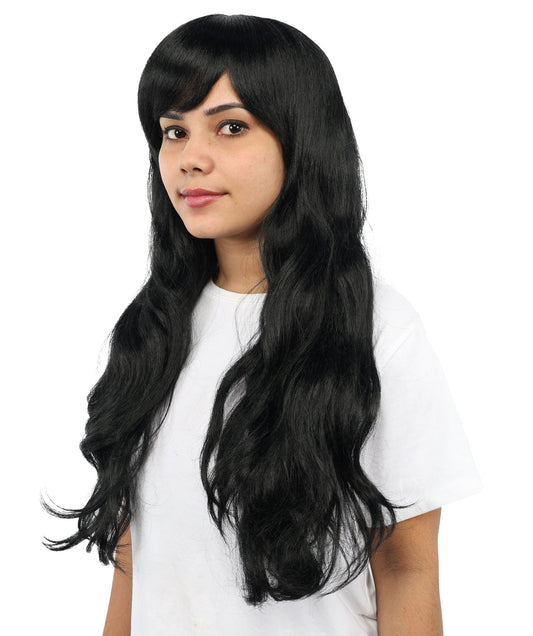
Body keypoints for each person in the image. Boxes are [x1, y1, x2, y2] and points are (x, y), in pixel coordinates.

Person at [43, 14, 482, 635]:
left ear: (301, 141)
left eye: (230, 127)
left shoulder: (377, 332)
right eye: (173, 132)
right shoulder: (152, 330)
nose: (190, 159)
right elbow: (135, 566)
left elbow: (407, 570)